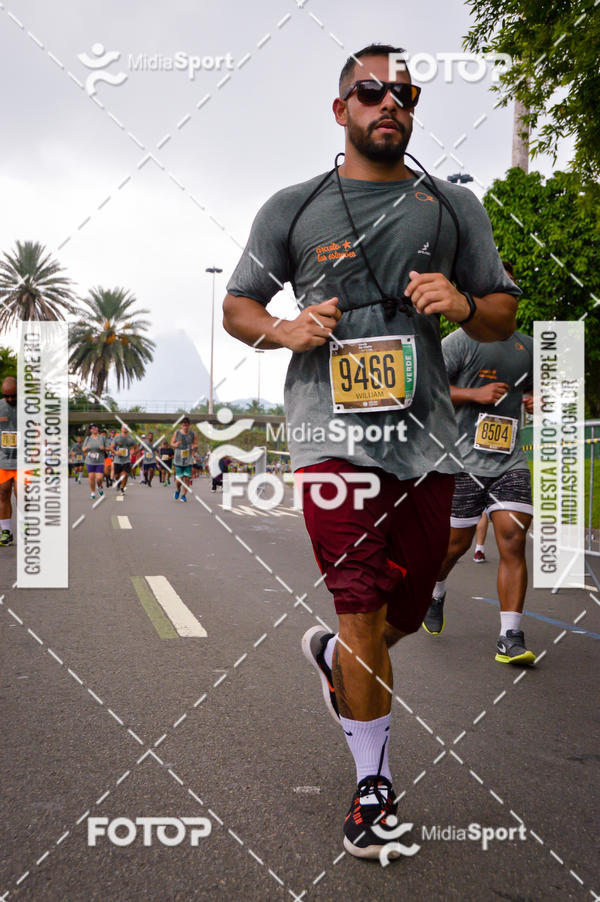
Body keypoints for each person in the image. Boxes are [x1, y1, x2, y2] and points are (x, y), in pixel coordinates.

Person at [222, 43, 518, 859]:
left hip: (425, 440)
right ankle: (371, 792)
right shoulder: (294, 206)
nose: (389, 102)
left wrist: (460, 301)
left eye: (404, 92)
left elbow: (500, 313)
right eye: (369, 91)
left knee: (404, 610)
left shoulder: (453, 208)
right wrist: (281, 328)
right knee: (358, 604)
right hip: (330, 434)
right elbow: (237, 304)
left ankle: (333, 661)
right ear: (340, 108)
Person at [422, 261, 535, 665]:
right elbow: (428, 391)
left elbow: (541, 393)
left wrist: (535, 401)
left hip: (510, 461)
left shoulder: (528, 346)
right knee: (454, 547)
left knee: (512, 538)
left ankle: (510, 636)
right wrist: (476, 395)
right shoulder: (459, 342)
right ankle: (435, 592)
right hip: (462, 462)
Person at [0, 376, 18, 546]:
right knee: (3, 493)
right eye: (7, 396)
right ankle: (6, 532)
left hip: (24, 460)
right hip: (3, 459)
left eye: (14, 395)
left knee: (23, 494)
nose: (11, 399)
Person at [171, 417, 197, 501]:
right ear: (181, 425)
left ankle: (184, 495)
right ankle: (178, 490)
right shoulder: (177, 433)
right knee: (179, 479)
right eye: (183, 425)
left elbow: (196, 444)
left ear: (189, 425)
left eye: (186, 425)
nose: (185, 427)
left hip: (188, 458)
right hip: (178, 458)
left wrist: (194, 446)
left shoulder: (193, 434)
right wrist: (176, 444)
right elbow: (172, 443)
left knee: (187, 477)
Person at [82, 423, 106, 500]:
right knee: (91, 477)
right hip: (90, 461)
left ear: (97, 428)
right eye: (92, 428)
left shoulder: (102, 438)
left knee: (99, 478)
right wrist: (86, 447)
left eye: (95, 427)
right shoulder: (88, 438)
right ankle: (93, 492)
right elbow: (83, 449)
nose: (94, 429)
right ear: (90, 430)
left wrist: (104, 448)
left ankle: (99, 487)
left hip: (100, 461)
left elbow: (109, 447)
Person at [111, 425, 136, 495]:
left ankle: (122, 488)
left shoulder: (131, 439)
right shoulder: (117, 437)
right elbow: (111, 447)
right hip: (117, 460)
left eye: (126, 427)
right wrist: (116, 452)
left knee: (125, 475)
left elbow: (136, 448)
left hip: (126, 460)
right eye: (123, 427)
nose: (125, 428)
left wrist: (133, 452)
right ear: (121, 429)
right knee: (116, 476)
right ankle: (118, 482)